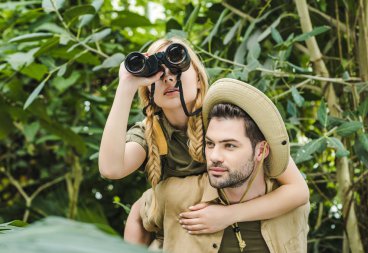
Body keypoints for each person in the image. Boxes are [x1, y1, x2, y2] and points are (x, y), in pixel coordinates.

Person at [98, 37, 309, 245]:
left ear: (199, 79)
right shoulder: (150, 132)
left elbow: (298, 190)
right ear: (148, 90)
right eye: (158, 73)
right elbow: (111, 169)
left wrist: (229, 214)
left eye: (177, 69)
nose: (169, 79)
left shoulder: (223, 119)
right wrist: (126, 85)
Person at [140, 78, 310, 253]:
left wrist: (229, 215)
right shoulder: (177, 194)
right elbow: (137, 218)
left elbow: (300, 192)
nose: (214, 157)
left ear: (261, 151)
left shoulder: (292, 208)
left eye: (230, 145)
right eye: (210, 144)